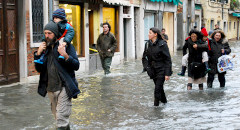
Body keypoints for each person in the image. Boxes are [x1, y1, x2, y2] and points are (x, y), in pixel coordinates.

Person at [34, 21, 80, 130]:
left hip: (65, 87)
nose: (47, 36)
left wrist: (65, 55)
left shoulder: (66, 46)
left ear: (55, 33)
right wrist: (38, 53)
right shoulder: (45, 49)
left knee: (61, 119)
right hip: (50, 89)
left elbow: (76, 65)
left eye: (49, 33)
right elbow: (39, 69)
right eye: (45, 33)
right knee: (58, 119)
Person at [142, 27, 172, 106]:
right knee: (159, 88)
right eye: (148, 33)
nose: (148, 34)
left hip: (161, 69)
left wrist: (167, 73)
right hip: (152, 70)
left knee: (157, 89)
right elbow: (144, 58)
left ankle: (156, 108)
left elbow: (167, 59)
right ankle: (165, 103)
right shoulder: (147, 44)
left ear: (155, 34)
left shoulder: (162, 44)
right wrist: (147, 68)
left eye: (150, 33)